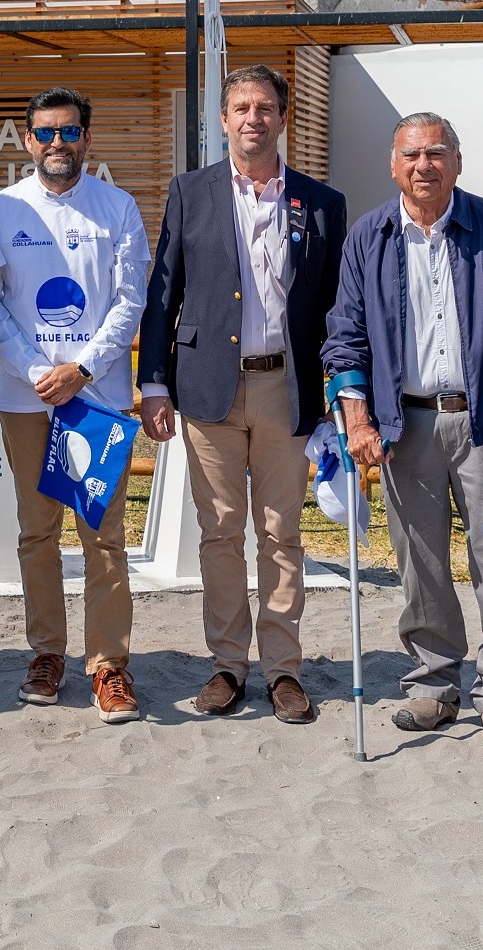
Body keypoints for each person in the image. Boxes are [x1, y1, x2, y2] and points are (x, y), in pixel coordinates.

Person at [323, 113, 483, 754]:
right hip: (405, 424)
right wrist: (358, 416)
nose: (423, 165)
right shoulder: (369, 237)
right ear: (393, 164)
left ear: (457, 161)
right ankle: (434, 682)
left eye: (436, 153)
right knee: (419, 561)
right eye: (412, 154)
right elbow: (345, 333)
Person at [137, 64, 347, 725]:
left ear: (283, 118)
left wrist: (344, 389)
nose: (253, 118)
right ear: (223, 119)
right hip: (208, 389)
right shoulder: (189, 191)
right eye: (242, 107)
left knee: (283, 532)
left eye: (265, 107)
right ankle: (228, 664)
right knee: (220, 531)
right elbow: (163, 291)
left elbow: (337, 306)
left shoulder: (321, 202)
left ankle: (283, 669)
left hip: (288, 386)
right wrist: (154, 383)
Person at [0, 87, 149, 723]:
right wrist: (36, 370)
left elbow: (130, 301)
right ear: (28, 140)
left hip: (98, 398)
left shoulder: (118, 207)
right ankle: (46, 653)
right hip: (28, 398)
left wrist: (82, 369)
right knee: (37, 532)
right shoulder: (1, 209)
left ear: (87, 138)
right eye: (47, 132)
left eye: (71, 131)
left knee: (103, 537)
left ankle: (108, 664)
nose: (59, 143)